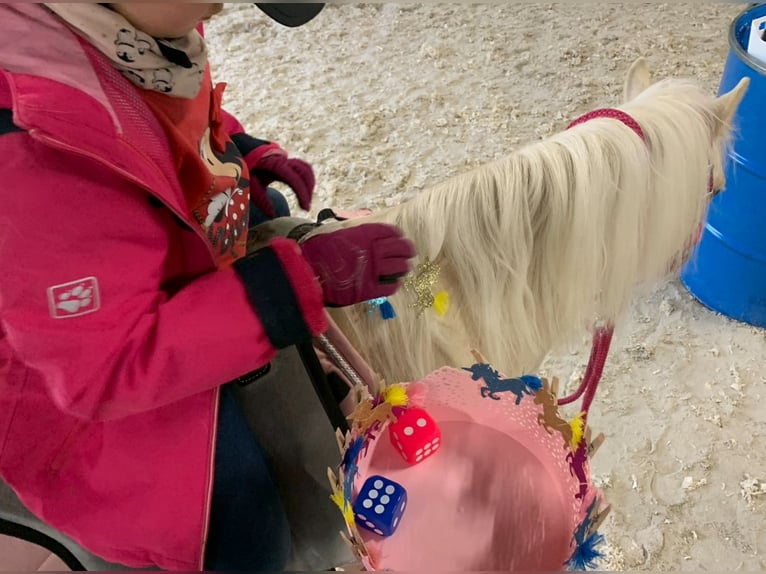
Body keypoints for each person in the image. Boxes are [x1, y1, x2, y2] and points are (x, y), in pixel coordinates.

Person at [0, 3, 415, 571]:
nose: (220, 9)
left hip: (167, 290)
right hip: (89, 402)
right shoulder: (31, 154)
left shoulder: (137, 25)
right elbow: (105, 368)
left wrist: (239, 155)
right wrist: (290, 289)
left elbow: (173, 120)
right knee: (247, 524)